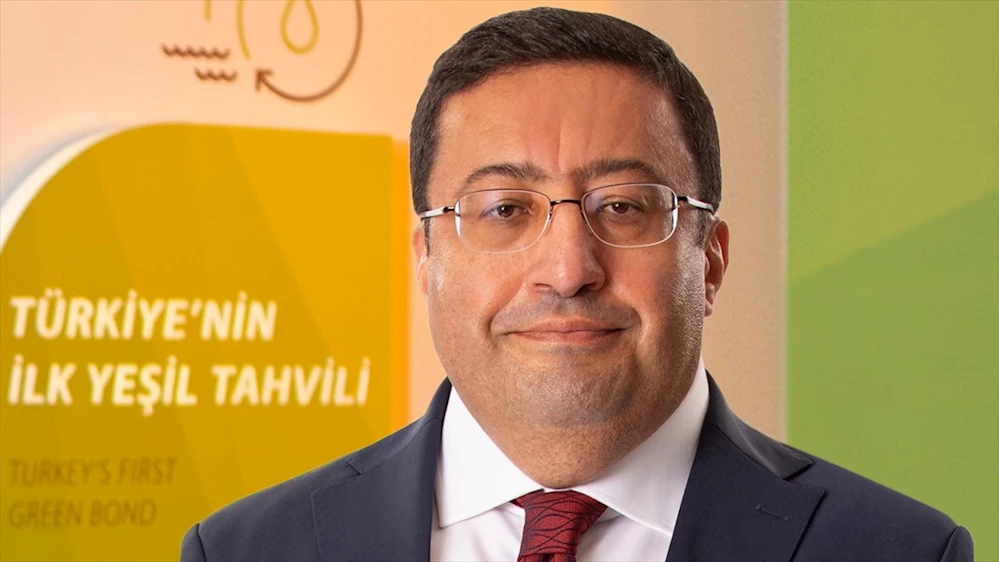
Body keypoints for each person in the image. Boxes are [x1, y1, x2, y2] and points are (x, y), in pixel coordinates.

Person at [180, 8, 973, 561]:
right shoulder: (247, 550)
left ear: (710, 259)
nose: (567, 270)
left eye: (622, 207)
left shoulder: (899, 551)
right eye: (504, 209)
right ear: (425, 258)